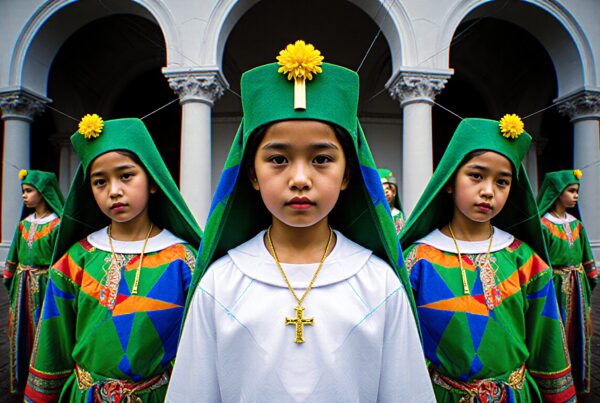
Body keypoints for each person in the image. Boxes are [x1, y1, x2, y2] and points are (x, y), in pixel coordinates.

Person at [166, 40, 434, 402]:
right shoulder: (220, 283)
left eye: (322, 159)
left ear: (347, 174)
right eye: (278, 159)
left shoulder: (379, 283)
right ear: (252, 174)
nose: (300, 179)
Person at [24, 115, 202, 402]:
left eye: (126, 175)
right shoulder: (75, 260)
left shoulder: (184, 261)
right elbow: (52, 343)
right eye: (99, 182)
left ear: (153, 181)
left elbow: (199, 349)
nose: (114, 191)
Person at [400, 115, 576, 402]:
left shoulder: (526, 260)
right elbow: (402, 347)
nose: (488, 191)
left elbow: (548, 344)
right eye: (476, 175)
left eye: (502, 182)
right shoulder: (417, 261)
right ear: (449, 181)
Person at [537, 169, 597, 394]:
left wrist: (590, 278)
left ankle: (577, 381)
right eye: (571, 191)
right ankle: (556, 386)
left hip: (578, 286)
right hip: (555, 287)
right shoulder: (543, 226)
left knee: (579, 332)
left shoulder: (576, 225)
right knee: (556, 333)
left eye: (577, 191)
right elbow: (539, 262)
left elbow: (586, 255)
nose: (576, 196)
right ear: (556, 192)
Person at [4, 169, 64, 394]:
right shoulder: (24, 224)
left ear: (44, 192)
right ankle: (21, 380)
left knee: (43, 332)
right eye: (23, 191)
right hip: (22, 287)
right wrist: (11, 277)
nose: (24, 196)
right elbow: (14, 255)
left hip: (44, 287)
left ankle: (43, 385)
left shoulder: (56, 225)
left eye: (29, 191)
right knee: (21, 332)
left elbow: (60, 262)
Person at [378, 168, 405, 234]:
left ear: (394, 192)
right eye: (382, 190)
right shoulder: (375, 213)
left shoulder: (398, 214)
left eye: (388, 189)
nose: (386, 193)